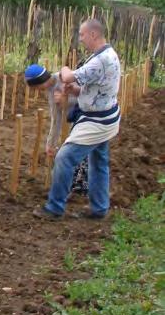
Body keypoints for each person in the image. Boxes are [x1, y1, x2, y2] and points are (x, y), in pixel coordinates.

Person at [34, 19, 121, 220]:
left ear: (93, 34)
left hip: (97, 121)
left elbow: (67, 77)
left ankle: (54, 208)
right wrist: (78, 91)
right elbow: (97, 87)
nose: (80, 39)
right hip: (107, 116)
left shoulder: (101, 59)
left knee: (64, 157)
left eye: (82, 35)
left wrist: (65, 69)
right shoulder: (108, 54)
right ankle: (99, 208)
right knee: (99, 161)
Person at [24, 63, 88, 196]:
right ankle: (73, 188)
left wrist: (68, 100)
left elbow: (88, 95)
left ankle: (80, 189)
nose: (38, 90)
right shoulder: (51, 91)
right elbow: (56, 117)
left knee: (78, 156)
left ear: (40, 81)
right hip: (74, 124)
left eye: (36, 87)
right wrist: (51, 143)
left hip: (87, 121)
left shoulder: (65, 79)